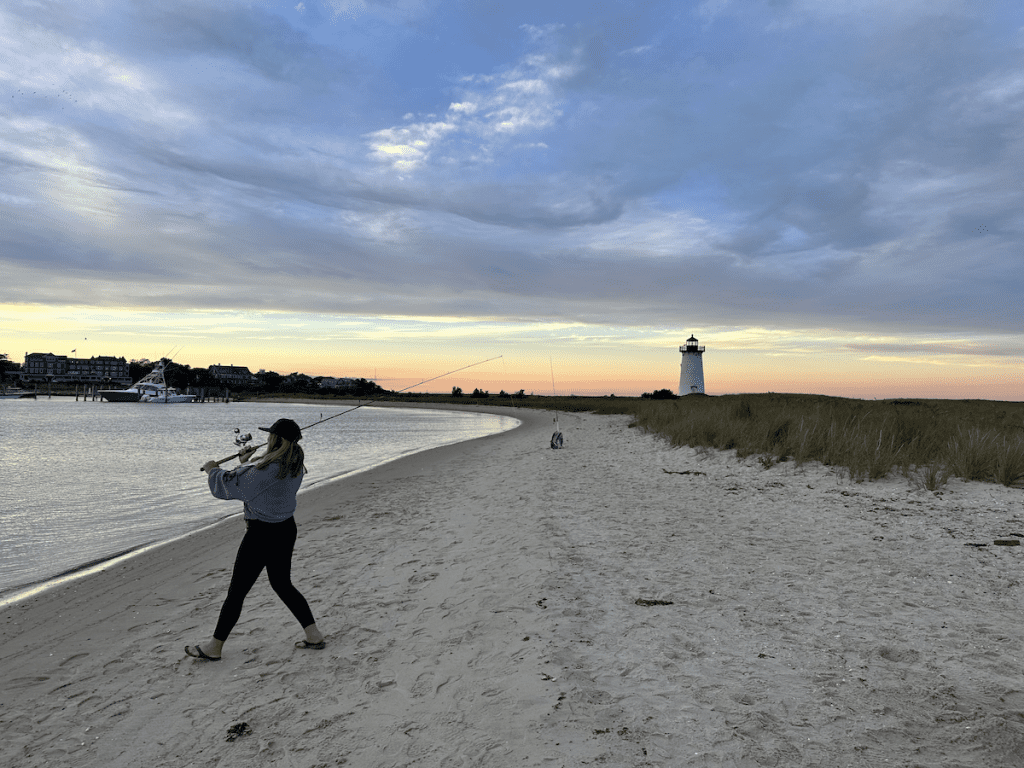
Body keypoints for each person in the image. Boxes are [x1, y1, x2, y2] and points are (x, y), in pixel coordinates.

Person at [185, 417, 324, 661]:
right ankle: (314, 635)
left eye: (270, 435)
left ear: (276, 440)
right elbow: (255, 480)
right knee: (282, 584)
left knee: (237, 592)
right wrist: (245, 462)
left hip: (261, 535)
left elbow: (228, 486)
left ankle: (214, 647)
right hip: (285, 529)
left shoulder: (265, 470)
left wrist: (212, 469)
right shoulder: (294, 464)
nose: (267, 438)